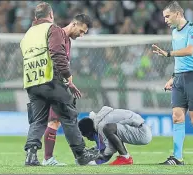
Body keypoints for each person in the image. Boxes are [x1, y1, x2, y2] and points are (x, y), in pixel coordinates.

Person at [20, 2, 98, 166]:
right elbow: (56, 54)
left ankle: (31, 156)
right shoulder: (53, 29)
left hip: (32, 82)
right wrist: (67, 76)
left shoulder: (28, 34)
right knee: (69, 116)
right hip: (51, 81)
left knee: (38, 121)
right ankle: (81, 154)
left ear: (36, 17)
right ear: (51, 15)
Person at [152, 1, 193, 165]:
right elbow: (180, 60)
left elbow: (190, 51)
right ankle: (177, 157)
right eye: (164, 17)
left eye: (167, 16)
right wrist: (173, 77)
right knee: (177, 117)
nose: (165, 20)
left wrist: (168, 53)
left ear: (178, 14)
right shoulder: (173, 31)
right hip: (179, 77)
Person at [42, 13, 93, 166]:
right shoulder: (57, 34)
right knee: (58, 121)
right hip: (52, 85)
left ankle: (53, 158)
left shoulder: (67, 41)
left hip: (58, 85)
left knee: (57, 121)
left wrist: (69, 84)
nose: (82, 35)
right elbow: (55, 60)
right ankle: (73, 157)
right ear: (74, 24)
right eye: (82, 31)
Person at [77, 106, 152, 165]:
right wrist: (93, 150)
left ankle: (125, 158)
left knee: (108, 128)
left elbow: (110, 149)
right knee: (110, 130)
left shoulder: (101, 125)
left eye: (86, 135)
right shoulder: (100, 120)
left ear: (89, 132)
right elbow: (105, 144)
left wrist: (94, 160)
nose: (88, 139)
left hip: (142, 133)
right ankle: (125, 157)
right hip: (142, 130)